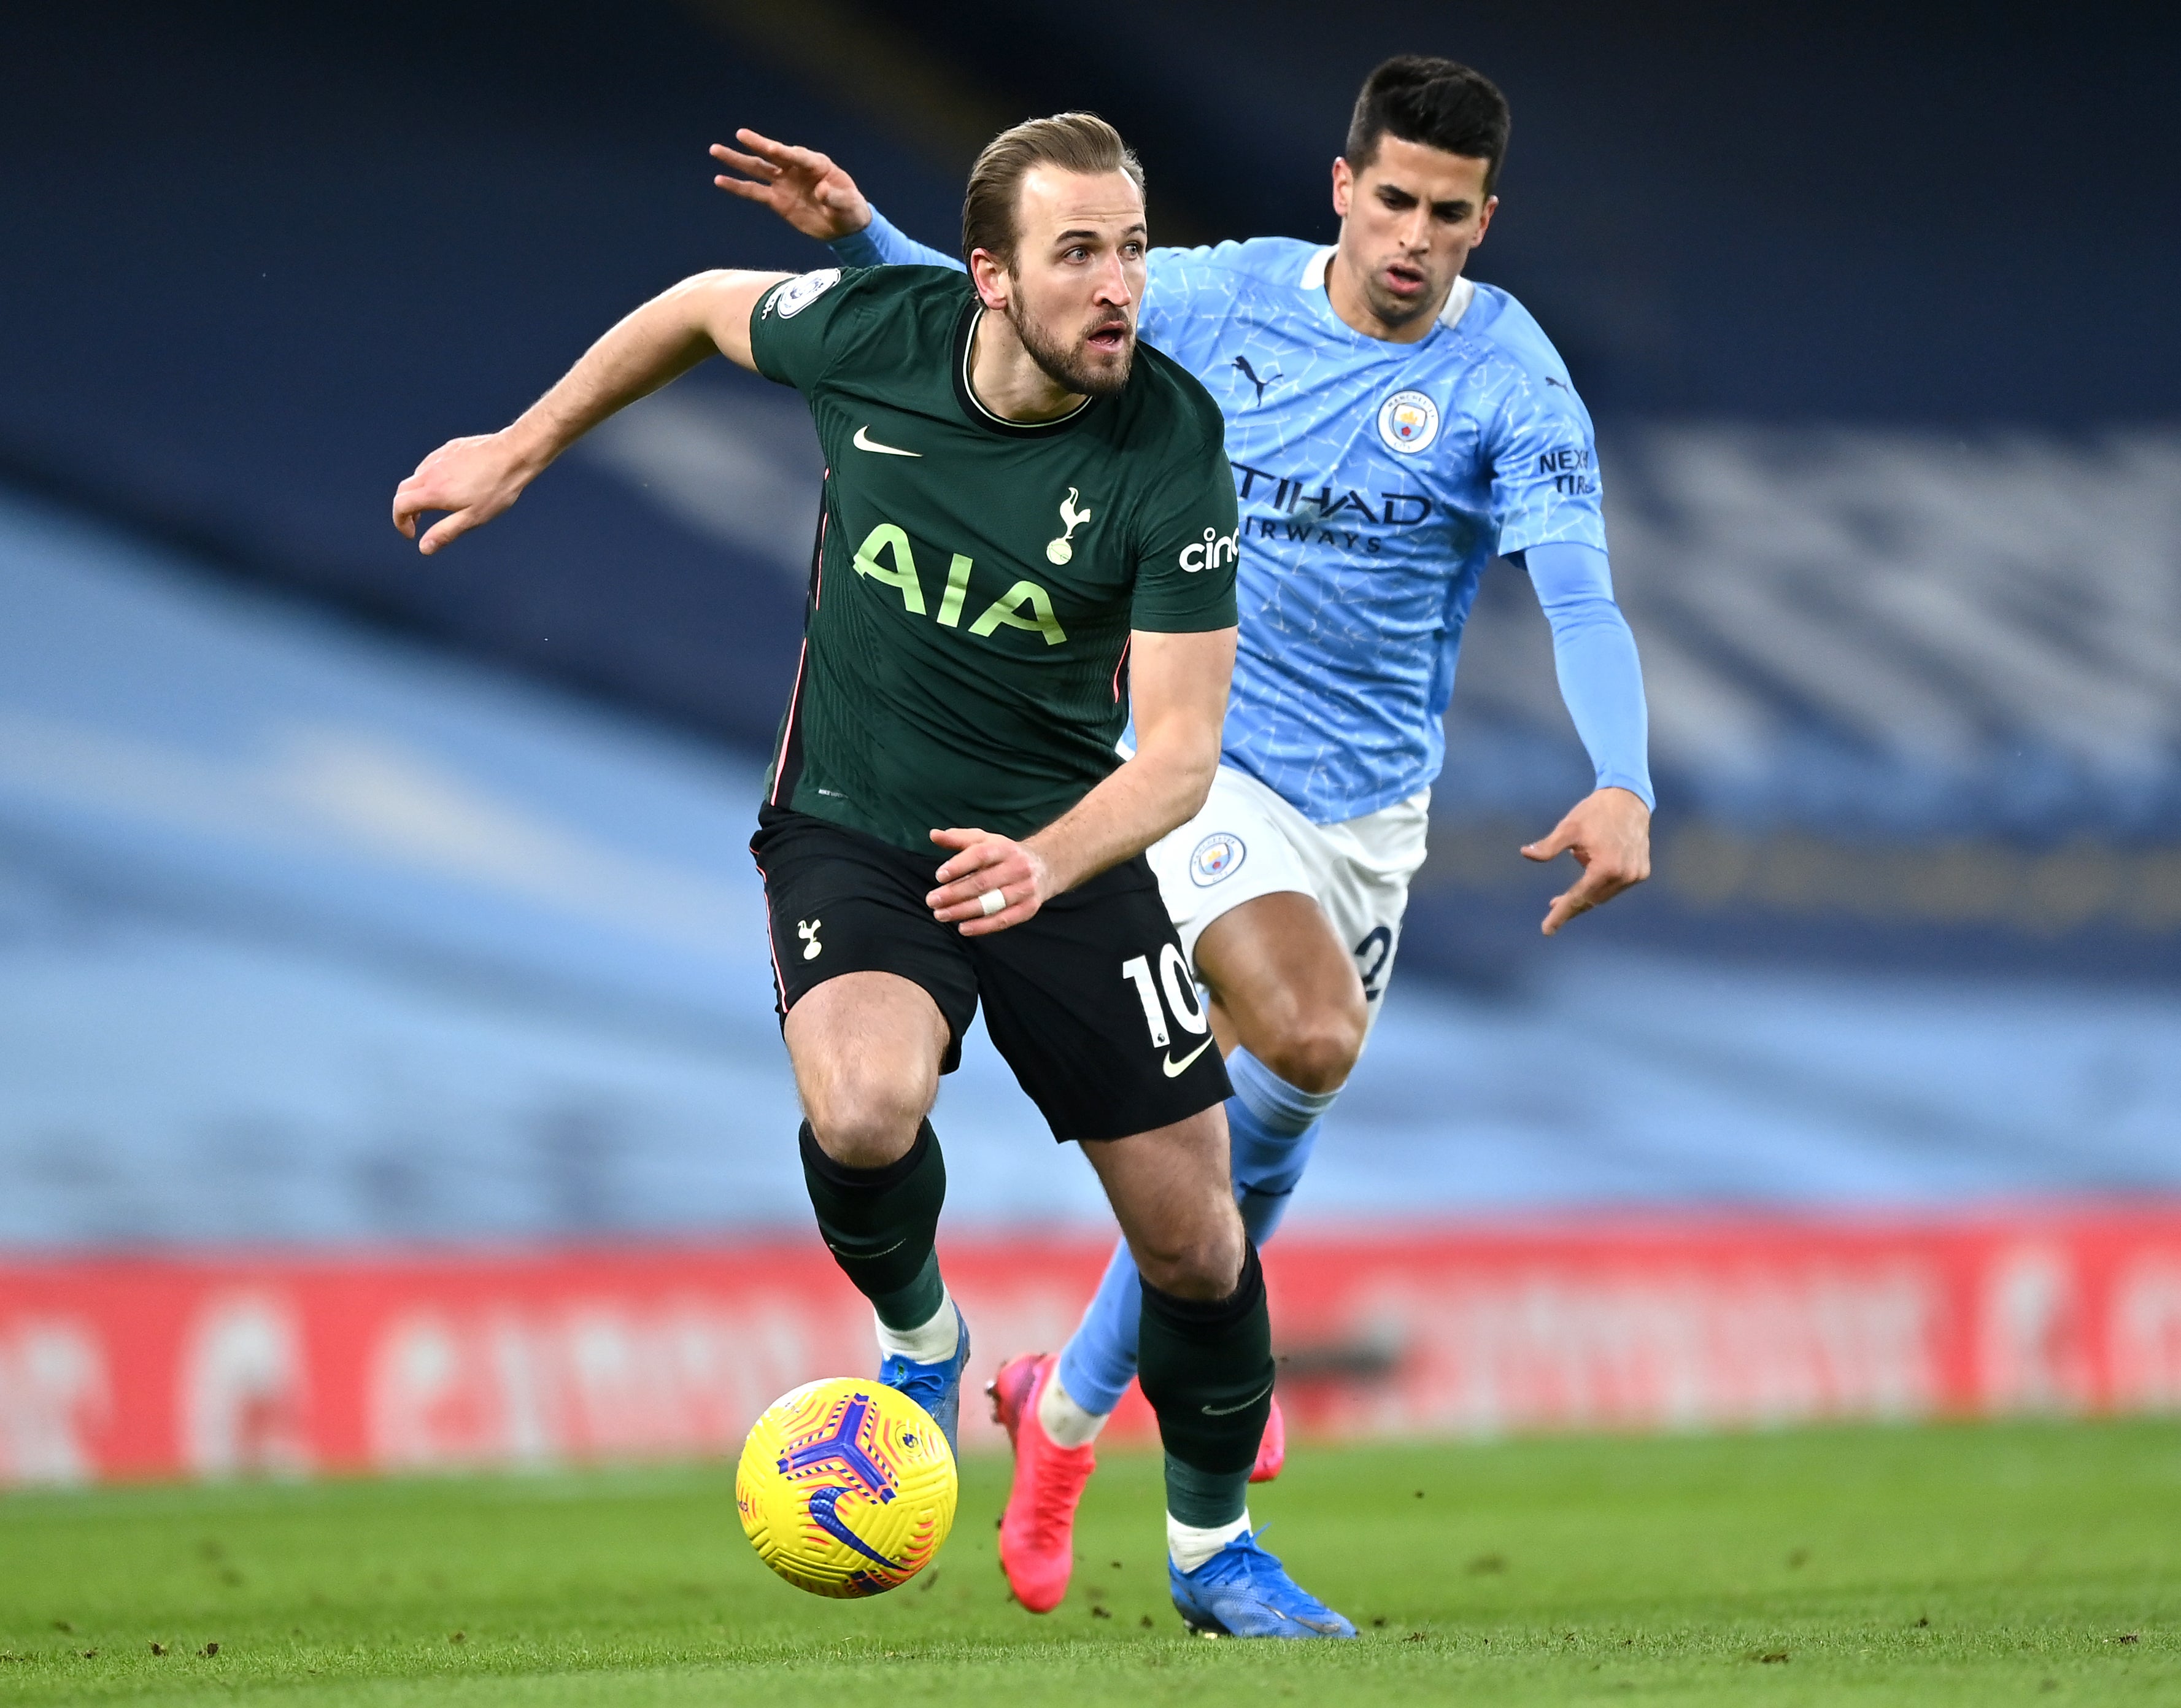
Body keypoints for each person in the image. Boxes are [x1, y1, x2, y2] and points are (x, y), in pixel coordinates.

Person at [393, 112, 1355, 1640]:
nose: (1121, 286)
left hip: (1062, 850)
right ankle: (923, 1335)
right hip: (855, 825)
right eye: (1079, 253)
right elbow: (699, 306)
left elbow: (1174, 756)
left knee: (1194, 1239)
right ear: (989, 276)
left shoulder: (1169, 440)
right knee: (858, 1108)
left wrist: (1046, 862)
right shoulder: (875, 336)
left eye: (1132, 246)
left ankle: (1212, 1549)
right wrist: (522, 446)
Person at [712, 56, 1653, 1613]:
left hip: (1364, 809)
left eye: (1451, 215)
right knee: (1302, 1023)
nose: (1415, 238)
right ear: (1342, 191)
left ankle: (1069, 1407)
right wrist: (868, 234)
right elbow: (1004, 312)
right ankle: (1176, 1444)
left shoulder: (1513, 385)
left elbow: (1579, 595)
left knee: (1266, 1111)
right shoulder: (1217, 297)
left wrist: (1620, 774)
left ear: (1489, 223)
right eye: (1394, 201)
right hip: (1181, 761)